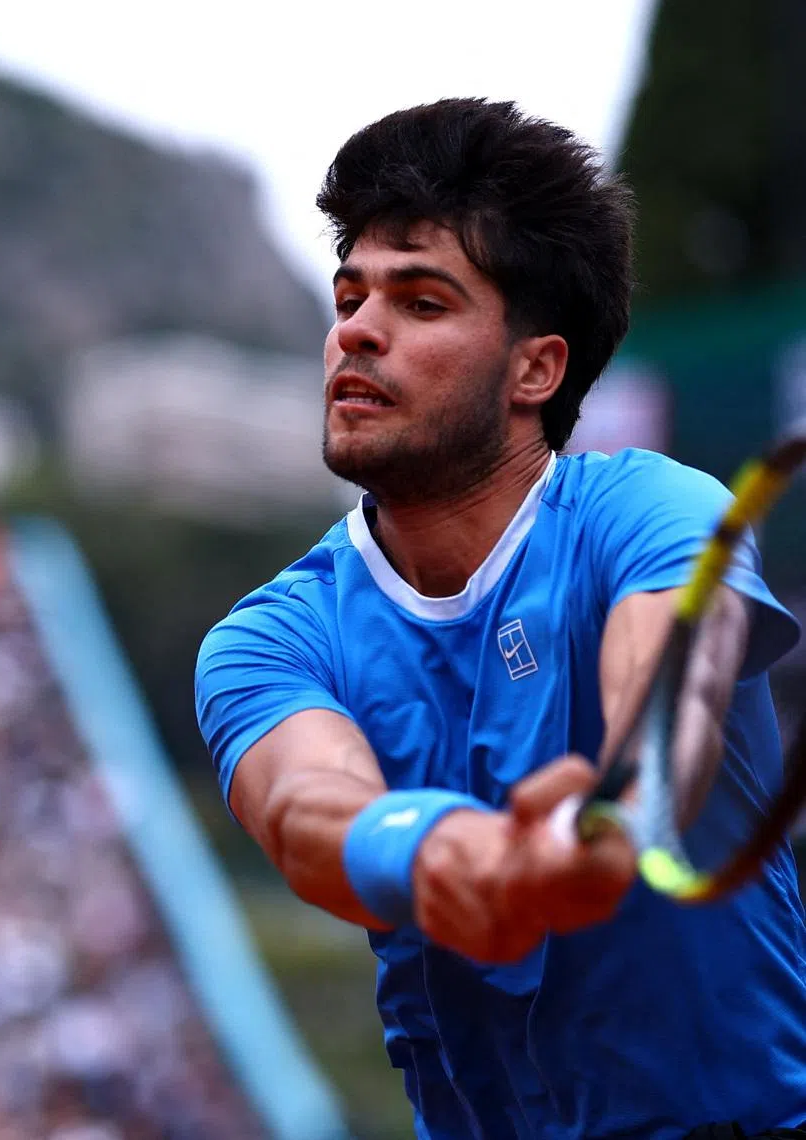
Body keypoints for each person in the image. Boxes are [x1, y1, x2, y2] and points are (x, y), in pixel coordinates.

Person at [194, 98, 806, 1140]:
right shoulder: (268, 637)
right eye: (350, 294)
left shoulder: (652, 507)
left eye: (422, 302)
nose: (356, 328)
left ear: (538, 369)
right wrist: (440, 853)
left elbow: (666, 691)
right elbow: (304, 809)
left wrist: (609, 811)